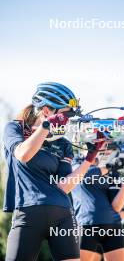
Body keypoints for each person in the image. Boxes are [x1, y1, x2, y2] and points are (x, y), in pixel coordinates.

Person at [3, 82, 104, 261]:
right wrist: (46, 127)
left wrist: (90, 157)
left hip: (62, 212)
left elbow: (64, 186)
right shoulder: (16, 128)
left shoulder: (63, 143)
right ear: (47, 111)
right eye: (65, 115)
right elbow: (22, 154)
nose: (68, 120)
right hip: (28, 212)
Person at [71, 156, 124, 261]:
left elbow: (116, 207)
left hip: (113, 225)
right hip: (86, 225)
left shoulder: (111, 172)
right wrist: (110, 166)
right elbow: (85, 176)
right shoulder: (77, 161)